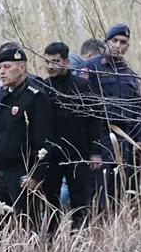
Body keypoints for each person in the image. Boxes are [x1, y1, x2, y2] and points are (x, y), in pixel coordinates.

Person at [82, 24, 141, 213]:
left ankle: (127, 230)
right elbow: (81, 107)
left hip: (127, 139)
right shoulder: (91, 68)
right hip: (101, 137)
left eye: (123, 42)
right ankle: (101, 232)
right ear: (106, 42)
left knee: (130, 192)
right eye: (114, 41)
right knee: (102, 194)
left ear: (127, 47)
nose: (118, 45)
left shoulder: (131, 74)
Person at [41, 42, 103, 230]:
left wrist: (95, 151)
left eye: (56, 62)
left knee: (80, 200)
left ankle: (79, 242)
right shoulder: (43, 88)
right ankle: (51, 242)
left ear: (66, 62)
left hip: (78, 153)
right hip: (51, 155)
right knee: (51, 200)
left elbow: (94, 120)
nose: (51, 66)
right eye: (48, 62)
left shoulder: (83, 86)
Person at [0, 48, 52, 229]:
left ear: (22, 67)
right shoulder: (1, 94)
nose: (2, 71)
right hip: (2, 171)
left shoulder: (35, 96)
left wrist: (37, 175)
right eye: (0, 67)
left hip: (23, 172)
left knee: (27, 224)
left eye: (7, 67)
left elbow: (44, 139)